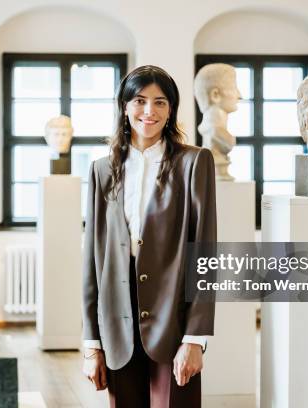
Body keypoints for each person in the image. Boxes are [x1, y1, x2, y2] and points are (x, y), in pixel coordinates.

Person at [81, 65, 217, 407]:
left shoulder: (194, 162)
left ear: (171, 110)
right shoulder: (102, 170)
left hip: (174, 320)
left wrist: (195, 338)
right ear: (124, 107)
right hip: (117, 324)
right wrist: (92, 343)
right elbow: (92, 261)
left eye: (160, 102)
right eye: (140, 101)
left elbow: (204, 253)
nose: (149, 111)